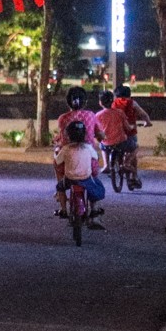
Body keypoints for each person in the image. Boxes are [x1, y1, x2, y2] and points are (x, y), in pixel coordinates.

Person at [52, 86, 102, 215]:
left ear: (68, 101)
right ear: (84, 101)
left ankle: (62, 206)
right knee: (95, 177)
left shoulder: (62, 118)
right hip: (88, 165)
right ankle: (95, 208)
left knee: (57, 165)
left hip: (67, 165)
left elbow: (62, 136)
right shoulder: (91, 115)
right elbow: (100, 134)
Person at [53, 119, 106, 230]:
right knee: (95, 188)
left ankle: (63, 210)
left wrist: (55, 152)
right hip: (86, 178)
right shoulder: (88, 147)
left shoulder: (65, 149)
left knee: (60, 188)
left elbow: (57, 161)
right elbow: (96, 158)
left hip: (69, 179)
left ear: (68, 135)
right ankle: (94, 210)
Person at [112, 85, 152, 189]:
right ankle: (133, 175)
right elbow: (143, 114)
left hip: (115, 135)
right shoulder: (132, 103)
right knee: (134, 148)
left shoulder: (113, 103)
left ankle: (116, 164)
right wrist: (147, 122)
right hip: (130, 134)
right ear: (129, 94)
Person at [94, 90, 133, 173]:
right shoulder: (120, 112)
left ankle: (106, 165)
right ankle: (124, 164)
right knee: (133, 146)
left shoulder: (98, 115)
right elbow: (128, 127)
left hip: (106, 143)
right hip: (120, 142)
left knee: (102, 145)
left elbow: (96, 129)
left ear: (100, 102)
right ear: (113, 101)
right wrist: (132, 127)